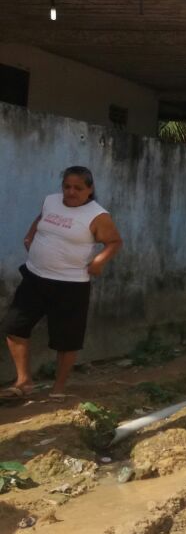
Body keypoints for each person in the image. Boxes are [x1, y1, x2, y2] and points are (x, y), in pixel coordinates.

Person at [1, 166, 122, 400]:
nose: (71, 192)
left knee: (67, 340)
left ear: (90, 189)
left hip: (71, 285)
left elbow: (115, 242)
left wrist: (99, 261)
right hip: (34, 278)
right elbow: (41, 219)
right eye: (67, 186)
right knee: (14, 327)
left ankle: (58, 389)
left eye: (78, 188)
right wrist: (30, 236)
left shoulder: (97, 215)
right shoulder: (51, 201)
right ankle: (24, 381)